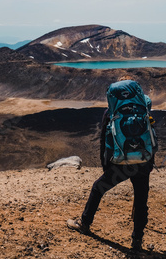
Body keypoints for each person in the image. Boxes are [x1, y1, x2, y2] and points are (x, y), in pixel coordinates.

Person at [67, 75, 156, 251]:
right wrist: (149, 162)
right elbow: (151, 137)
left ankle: (84, 224)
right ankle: (137, 241)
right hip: (143, 163)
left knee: (98, 188)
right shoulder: (143, 108)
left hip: (121, 164)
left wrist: (107, 165)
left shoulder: (112, 112)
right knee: (140, 201)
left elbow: (105, 140)